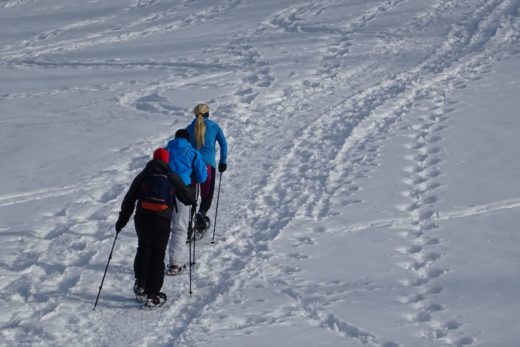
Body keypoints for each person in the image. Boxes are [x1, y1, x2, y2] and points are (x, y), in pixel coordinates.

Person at [115, 148, 195, 309]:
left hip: (142, 218)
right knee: (158, 256)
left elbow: (129, 198)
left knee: (143, 248)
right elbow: (188, 199)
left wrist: (121, 221)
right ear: (167, 160)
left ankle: (141, 284)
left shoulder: (144, 175)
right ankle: (153, 296)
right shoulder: (171, 175)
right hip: (162, 219)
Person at [165, 129, 207, 276]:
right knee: (179, 228)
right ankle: (175, 264)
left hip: (164, 192)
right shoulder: (193, 152)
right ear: (188, 140)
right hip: (183, 192)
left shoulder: (165, 151)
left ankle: (155, 262)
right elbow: (202, 178)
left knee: (162, 227)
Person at [186, 103, 228, 229]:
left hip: (192, 165)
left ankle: (187, 223)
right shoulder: (214, 127)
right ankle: (201, 214)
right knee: (207, 194)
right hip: (208, 165)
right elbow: (223, 144)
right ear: (207, 114)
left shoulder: (189, 128)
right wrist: (223, 162)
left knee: (191, 195)